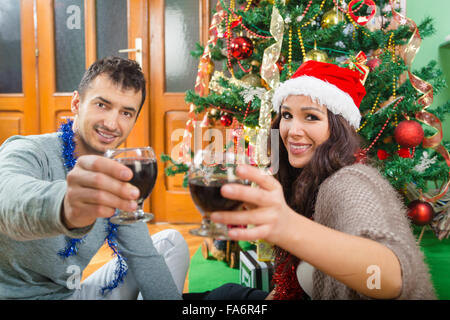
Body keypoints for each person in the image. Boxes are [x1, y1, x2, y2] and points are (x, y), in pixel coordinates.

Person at [187, 60, 436, 300]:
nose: (293, 130)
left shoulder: (351, 181)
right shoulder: (304, 178)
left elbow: (389, 278)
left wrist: (287, 226)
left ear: (338, 128)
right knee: (225, 293)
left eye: (311, 117)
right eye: (287, 115)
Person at [0, 56, 189, 300]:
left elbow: (144, 258)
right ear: (76, 103)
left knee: (171, 242)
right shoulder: (29, 151)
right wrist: (67, 205)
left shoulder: (115, 178)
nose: (112, 123)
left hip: (70, 295)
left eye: (126, 113)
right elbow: (7, 196)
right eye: (102, 105)